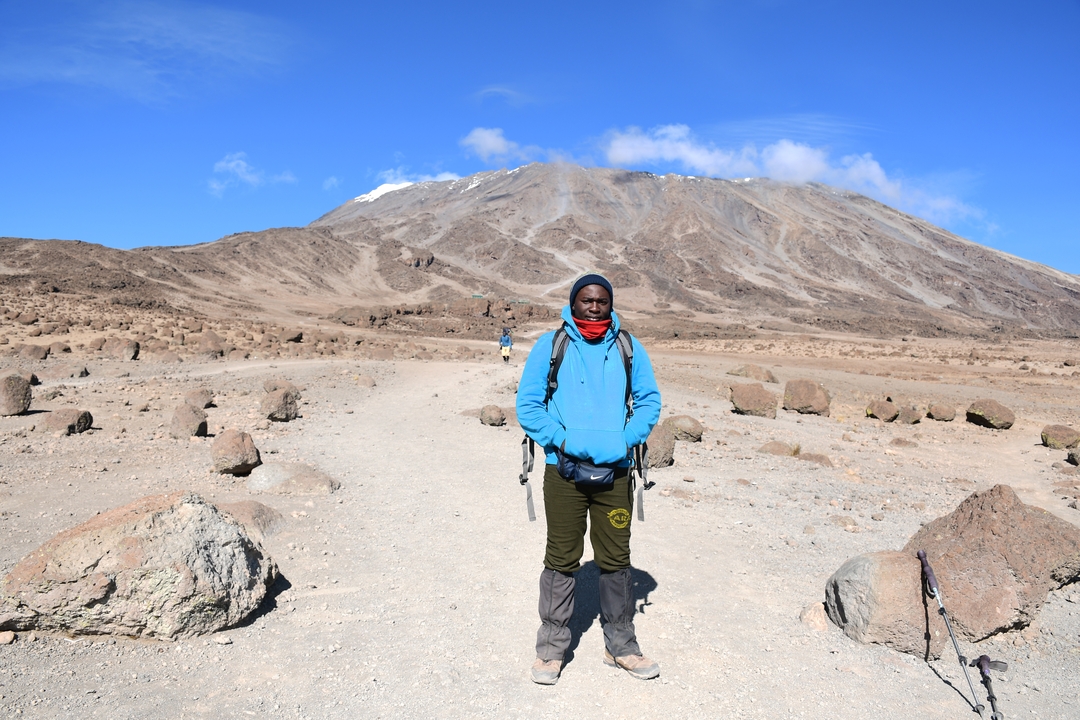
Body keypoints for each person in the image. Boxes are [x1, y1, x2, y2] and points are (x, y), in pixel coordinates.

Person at [516, 273, 662, 685]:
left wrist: (624, 440)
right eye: (586, 300)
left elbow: (649, 401)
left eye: (601, 300)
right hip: (563, 472)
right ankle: (551, 648)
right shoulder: (551, 345)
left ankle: (621, 645)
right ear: (573, 303)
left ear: (610, 304)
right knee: (561, 558)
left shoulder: (627, 347)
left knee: (615, 559)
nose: (594, 307)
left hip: (615, 473)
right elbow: (529, 404)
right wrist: (562, 440)